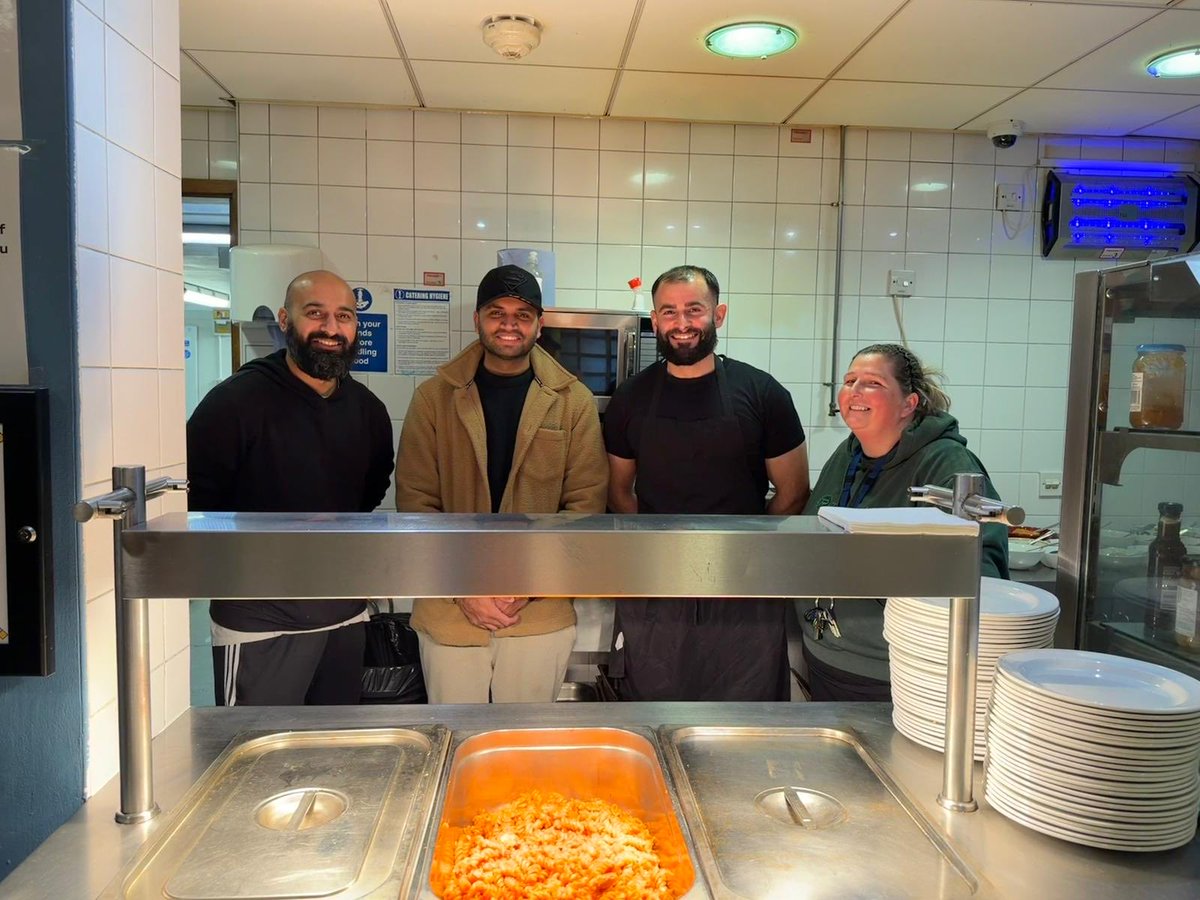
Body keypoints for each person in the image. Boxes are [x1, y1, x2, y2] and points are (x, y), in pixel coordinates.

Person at [394, 264, 608, 703]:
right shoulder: (434, 398)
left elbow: (584, 508)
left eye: (522, 314)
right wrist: (466, 588)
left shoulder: (574, 402)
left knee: (525, 752)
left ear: (539, 325)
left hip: (538, 612)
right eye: (496, 312)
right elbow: (416, 503)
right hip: (450, 612)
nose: (509, 324)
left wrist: (525, 586)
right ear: (477, 319)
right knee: (456, 746)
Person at [187, 269, 394, 706]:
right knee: (252, 756)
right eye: (315, 314)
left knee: (334, 747)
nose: (331, 329)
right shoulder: (234, 403)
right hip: (260, 620)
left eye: (344, 316)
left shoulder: (368, 412)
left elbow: (370, 491)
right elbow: (197, 500)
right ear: (285, 320)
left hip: (344, 614)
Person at [604, 265, 811, 701]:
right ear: (655, 321)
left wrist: (744, 544)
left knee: (745, 724)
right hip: (655, 589)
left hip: (744, 588)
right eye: (669, 312)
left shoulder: (763, 394)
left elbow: (792, 493)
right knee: (652, 719)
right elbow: (619, 491)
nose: (682, 324)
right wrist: (655, 552)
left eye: (694, 310)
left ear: (718, 315)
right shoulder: (630, 398)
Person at [799, 343, 1009, 702]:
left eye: (873, 383)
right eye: (850, 380)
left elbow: (982, 571)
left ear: (908, 403)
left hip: (895, 668)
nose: (855, 391)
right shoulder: (848, 454)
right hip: (828, 656)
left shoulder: (947, 463)